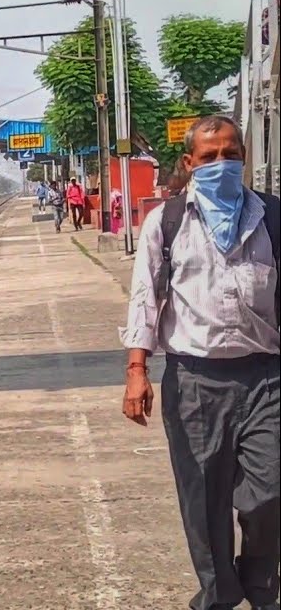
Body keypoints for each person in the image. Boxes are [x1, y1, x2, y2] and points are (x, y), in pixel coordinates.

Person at [120, 115, 280, 610]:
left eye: (230, 154)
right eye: (208, 157)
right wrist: (136, 371)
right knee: (203, 500)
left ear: (244, 157)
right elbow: (146, 296)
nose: (221, 164)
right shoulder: (166, 222)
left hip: (266, 377)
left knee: (270, 492)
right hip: (195, 380)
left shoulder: (272, 216)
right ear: (189, 164)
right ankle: (218, 594)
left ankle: (260, 585)